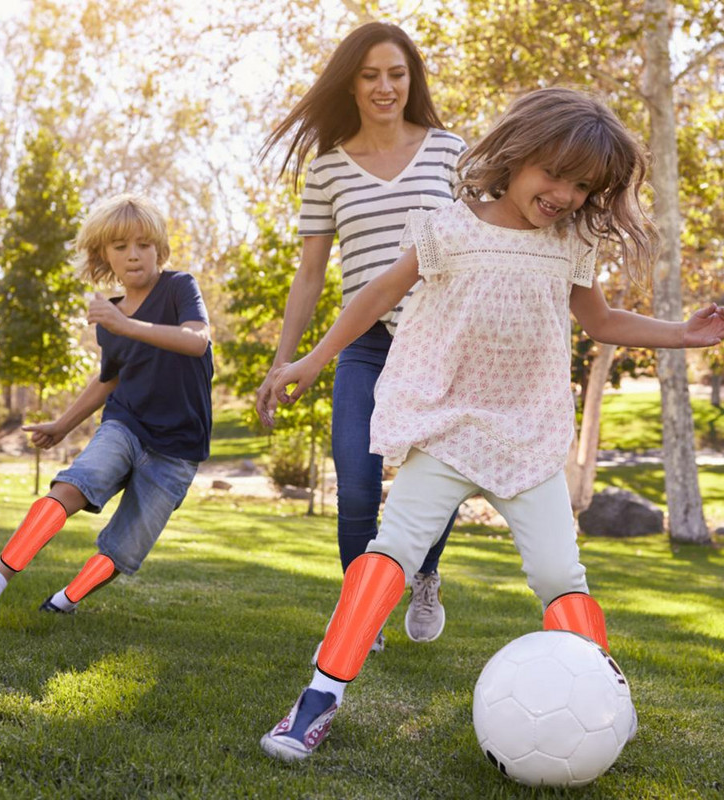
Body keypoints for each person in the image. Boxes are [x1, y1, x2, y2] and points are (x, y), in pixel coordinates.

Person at [259, 86, 724, 761]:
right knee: (391, 550)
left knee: (561, 576)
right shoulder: (448, 225)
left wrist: (682, 334)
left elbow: (600, 323)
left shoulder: (572, 241)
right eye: (554, 173)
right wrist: (313, 357)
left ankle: (602, 696)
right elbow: (379, 292)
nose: (565, 193)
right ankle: (319, 697)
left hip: (530, 433)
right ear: (515, 156)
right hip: (449, 425)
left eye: (583, 185)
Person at [257, 22, 467, 648]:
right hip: (364, 344)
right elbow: (311, 274)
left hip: (439, 343)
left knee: (438, 478)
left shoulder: (451, 152)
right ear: (351, 84)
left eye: (396, 74)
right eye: (371, 75)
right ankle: (360, 609)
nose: (385, 87)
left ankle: (425, 574)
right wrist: (284, 360)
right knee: (356, 480)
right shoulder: (327, 171)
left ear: (412, 80)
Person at [0, 193, 213, 623]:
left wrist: (124, 324)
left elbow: (197, 341)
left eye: (143, 244)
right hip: (126, 425)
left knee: (124, 547)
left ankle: (66, 599)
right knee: (75, 483)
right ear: (104, 255)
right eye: (120, 247)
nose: (133, 256)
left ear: (160, 247)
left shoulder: (178, 288)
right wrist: (63, 424)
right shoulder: (113, 315)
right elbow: (110, 379)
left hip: (178, 448)